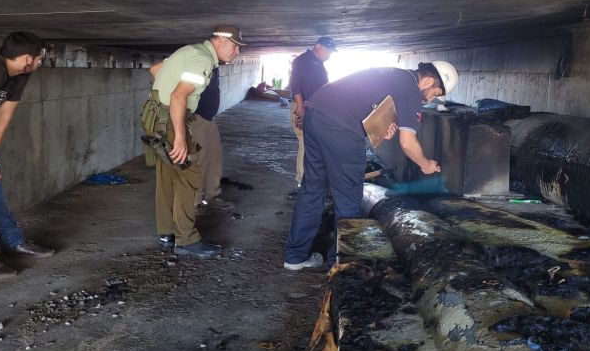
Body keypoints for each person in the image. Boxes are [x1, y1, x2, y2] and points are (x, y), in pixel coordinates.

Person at [283, 61, 459, 270]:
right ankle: (339, 267)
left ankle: (295, 257)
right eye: (435, 92)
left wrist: (381, 129)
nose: (431, 99)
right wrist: (425, 164)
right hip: (340, 127)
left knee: (312, 188)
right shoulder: (411, 89)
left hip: (315, 113)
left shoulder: (395, 75)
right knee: (349, 198)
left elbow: (361, 104)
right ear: (428, 81)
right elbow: (407, 142)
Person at [147, 25, 244, 258]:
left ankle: (167, 233)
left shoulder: (189, 51)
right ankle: (186, 240)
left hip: (157, 118)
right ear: (220, 42)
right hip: (173, 120)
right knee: (187, 176)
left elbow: (155, 69)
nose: (237, 53)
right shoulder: (202, 59)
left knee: (167, 178)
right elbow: (179, 96)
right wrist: (180, 137)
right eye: (234, 47)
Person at [0, 32, 55, 279]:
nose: (41, 63)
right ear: (28, 57)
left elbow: (4, 115)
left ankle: (12, 241)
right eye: (40, 58)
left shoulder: (20, 74)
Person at [288, 36, 336, 190]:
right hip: (304, 106)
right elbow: (295, 84)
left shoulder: (318, 64)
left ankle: (313, 178)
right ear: (318, 47)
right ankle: (302, 181)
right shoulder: (302, 61)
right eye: (328, 51)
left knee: (314, 144)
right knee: (305, 143)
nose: (329, 55)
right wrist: (300, 107)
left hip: (314, 108)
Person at [192, 66, 233, 214]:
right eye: (234, 48)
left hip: (209, 119)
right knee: (199, 160)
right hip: (196, 118)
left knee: (215, 158)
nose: (236, 52)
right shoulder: (199, 62)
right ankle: (195, 202)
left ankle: (212, 195)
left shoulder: (213, 66)